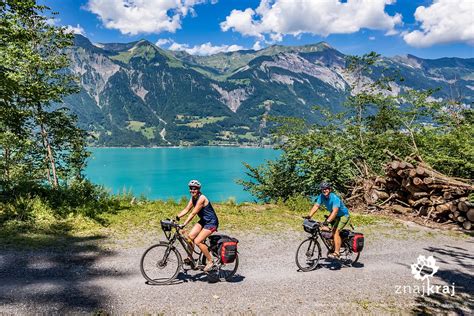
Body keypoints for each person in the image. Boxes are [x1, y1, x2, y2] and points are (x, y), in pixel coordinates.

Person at [176, 180, 219, 272]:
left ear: (198, 189)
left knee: (198, 241)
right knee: (190, 237)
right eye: (191, 188)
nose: (192, 190)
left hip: (211, 222)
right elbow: (187, 209)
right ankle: (190, 257)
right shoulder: (193, 198)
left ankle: (211, 261)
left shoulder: (202, 198)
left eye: (194, 189)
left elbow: (193, 213)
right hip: (204, 221)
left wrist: (184, 224)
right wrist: (177, 216)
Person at [305, 182, 350, 260]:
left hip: (343, 216)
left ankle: (337, 252)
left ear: (329, 189)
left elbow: (335, 211)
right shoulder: (321, 196)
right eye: (322, 189)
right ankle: (333, 245)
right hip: (334, 215)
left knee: (336, 232)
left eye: (326, 189)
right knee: (322, 228)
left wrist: (328, 221)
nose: (324, 190)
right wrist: (309, 216)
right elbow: (316, 206)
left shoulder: (335, 198)